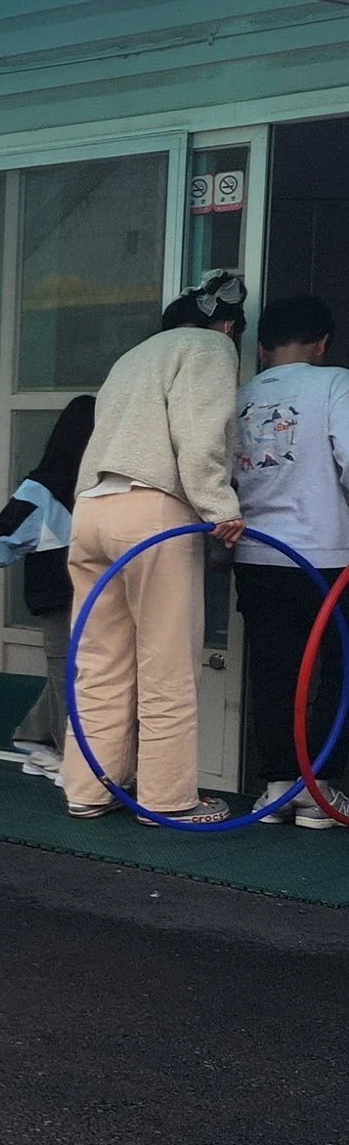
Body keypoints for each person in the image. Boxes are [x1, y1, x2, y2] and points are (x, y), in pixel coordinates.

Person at [63, 274, 246, 823]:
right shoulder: (210, 347)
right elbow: (200, 432)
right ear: (228, 324)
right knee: (166, 661)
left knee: (99, 660)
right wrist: (220, 507)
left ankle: (87, 790)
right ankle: (166, 800)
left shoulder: (131, 357)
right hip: (153, 510)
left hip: (92, 507)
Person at [232, 289, 349, 828]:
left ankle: (277, 786)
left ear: (261, 349)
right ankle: (317, 789)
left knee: (275, 671)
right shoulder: (335, 383)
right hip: (328, 555)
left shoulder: (239, 395)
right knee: (340, 670)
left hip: (256, 554)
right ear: (322, 344)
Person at [0, 394, 95, 783]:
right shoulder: (44, 488)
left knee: (79, 672)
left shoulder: (99, 487)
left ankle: (39, 739)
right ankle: (74, 763)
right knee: (70, 673)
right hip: (58, 597)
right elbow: (6, 528)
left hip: (96, 597)